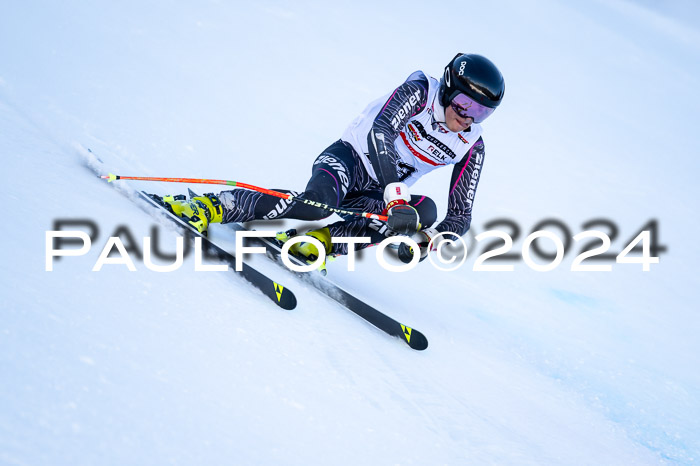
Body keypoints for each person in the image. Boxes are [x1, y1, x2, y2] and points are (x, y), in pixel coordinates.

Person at [162, 53, 505, 266]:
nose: (468, 117)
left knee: (423, 212)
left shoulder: (471, 145)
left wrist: (431, 239)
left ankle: (322, 243)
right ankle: (215, 205)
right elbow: (380, 132)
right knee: (317, 205)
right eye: (464, 103)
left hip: (377, 192)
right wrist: (396, 197)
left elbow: (460, 215)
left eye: (482, 112)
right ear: (447, 87)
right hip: (350, 160)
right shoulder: (421, 90)